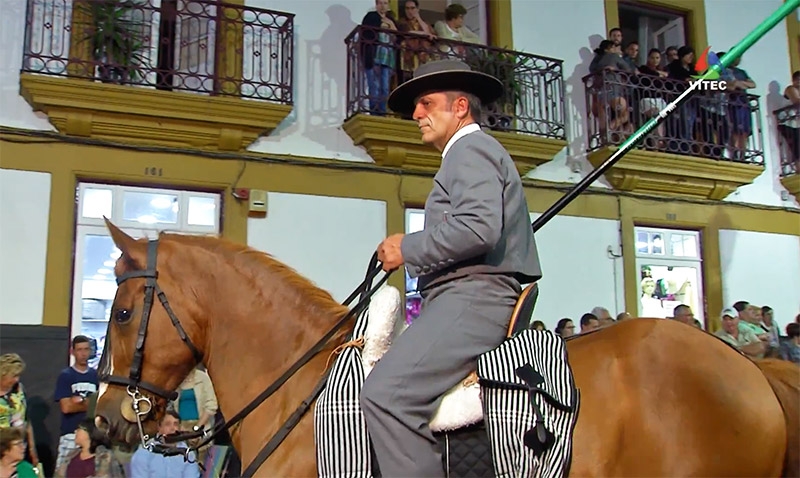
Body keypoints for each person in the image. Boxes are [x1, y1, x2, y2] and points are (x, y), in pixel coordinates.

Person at [362, 59, 542, 477]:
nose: (416, 115)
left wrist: (408, 247)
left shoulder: (469, 148)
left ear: (460, 107)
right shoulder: (467, 153)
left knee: (387, 394)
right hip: (461, 298)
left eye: (426, 103)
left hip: (473, 300)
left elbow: (478, 227)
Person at [53, 336, 99, 471]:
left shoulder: (96, 376)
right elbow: (66, 407)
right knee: (63, 470)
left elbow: (100, 405)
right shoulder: (66, 376)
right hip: (70, 433)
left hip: (91, 435)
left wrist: (79, 402)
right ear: (72, 352)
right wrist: (90, 403)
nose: (83, 353)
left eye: (86, 349)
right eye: (79, 350)